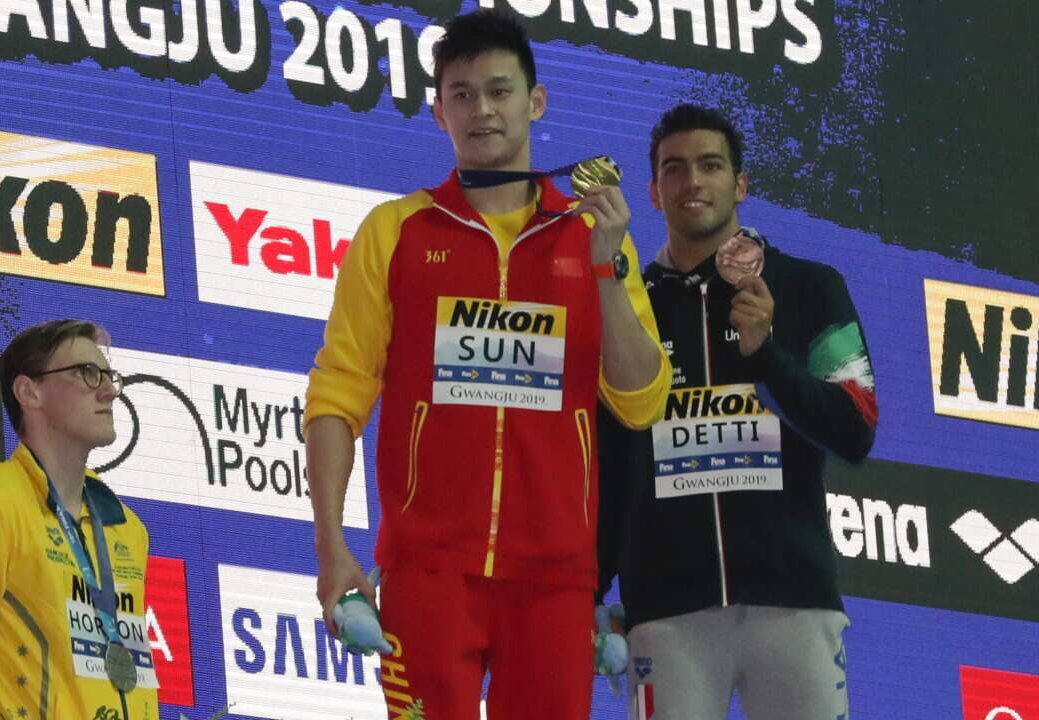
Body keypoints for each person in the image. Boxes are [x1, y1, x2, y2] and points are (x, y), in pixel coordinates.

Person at [304, 9, 671, 719]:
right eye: (461, 94)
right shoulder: (395, 231)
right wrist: (330, 551)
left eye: (499, 90)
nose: (481, 109)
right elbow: (336, 398)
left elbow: (641, 400)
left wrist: (602, 269)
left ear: (535, 102)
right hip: (426, 574)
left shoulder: (594, 238)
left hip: (557, 580)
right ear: (438, 111)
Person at [596, 104, 878, 720]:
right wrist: (593, 589)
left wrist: (769, 358)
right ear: (653, 191)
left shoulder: (809, 287)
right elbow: (610, 463)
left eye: (710, 165)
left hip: (794, 605)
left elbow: (856, 427)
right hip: (666, 617)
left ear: (741, 184)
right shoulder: (627, 310)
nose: (692, 181)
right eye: (674, 169)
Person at [0, 320, 159, 720]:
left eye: (110, 376)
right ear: (29, 391)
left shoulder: (126, 529)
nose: (109, 390)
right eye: (87, 373)